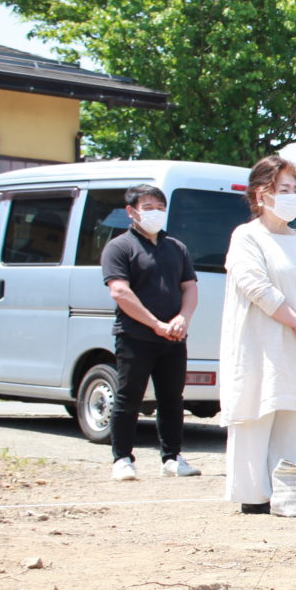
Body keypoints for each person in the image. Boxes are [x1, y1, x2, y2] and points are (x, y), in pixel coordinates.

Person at [220, 157, 296, 514]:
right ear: (261, 193)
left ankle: (285, 492)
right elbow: (258, 288)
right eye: (283, 190)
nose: (292, 197)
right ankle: (253, 496)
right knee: (256, 411)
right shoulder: (246, 236)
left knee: (288, 413)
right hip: (259, 343)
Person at [101, 185, 201, 481]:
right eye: (148, 207)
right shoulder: (119, 247)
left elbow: (190, 287)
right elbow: (120, 291)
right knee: (129, 397)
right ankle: (122, 458)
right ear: (131, 211)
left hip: (173, 338)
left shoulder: (176, 247)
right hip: (135, 336)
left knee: (172, 398)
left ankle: (172, 457)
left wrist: (183, 318)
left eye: (160, 207)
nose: (155, 212)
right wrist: (156, 324)